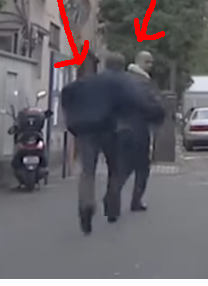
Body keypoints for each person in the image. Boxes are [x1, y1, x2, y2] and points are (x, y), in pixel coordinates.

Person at [61, 52, 165, 234]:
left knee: (87, 171)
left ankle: (86, 205)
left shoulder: (90, 80)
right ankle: (112, 209)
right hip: (109, 129)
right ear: (122, 66)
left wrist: (71, 114)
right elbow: (140, 101)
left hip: (85, 130)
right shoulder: (124, 82)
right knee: (115, 168)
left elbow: (67, 92)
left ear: (106, 65)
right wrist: (158, 113)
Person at [122, 50, 160, 212]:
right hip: (140, 127)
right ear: (139, 62)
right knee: (142, 167)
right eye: (147, 62)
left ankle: (113, 195)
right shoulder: (143, 82)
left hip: (122, 128)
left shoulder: (124, 79)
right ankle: (136, 200)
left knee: (125, 165)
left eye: (151, 62)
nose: (150, 65)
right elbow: (151, 104)